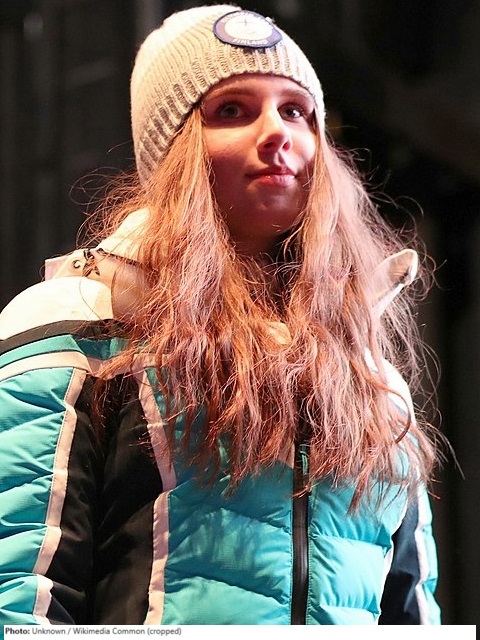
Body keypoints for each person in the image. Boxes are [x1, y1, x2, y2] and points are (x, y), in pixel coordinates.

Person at [0, 4, 442, 626]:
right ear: (173, 153)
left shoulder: (373, 381)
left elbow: (413, 617)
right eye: (232, 110)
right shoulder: (81, 322)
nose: (277, 132)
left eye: (296, 111)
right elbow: (19, 599)